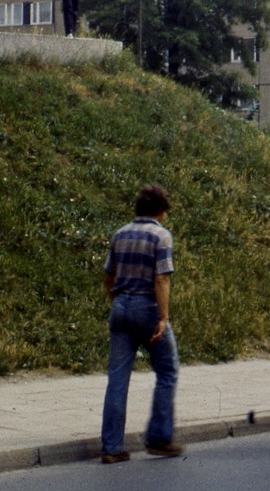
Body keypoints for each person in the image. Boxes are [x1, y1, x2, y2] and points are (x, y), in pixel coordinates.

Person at [100, 185, 183, 464]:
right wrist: (162, 317)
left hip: (121, 306)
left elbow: (108, 276)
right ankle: (159, 438)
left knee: (117, 378)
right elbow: (161, 279)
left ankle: (112, 447)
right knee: (167, 370)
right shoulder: (161, 235)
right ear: (161, 211)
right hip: (147, 307)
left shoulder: (120, 234)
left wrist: (117, 300)